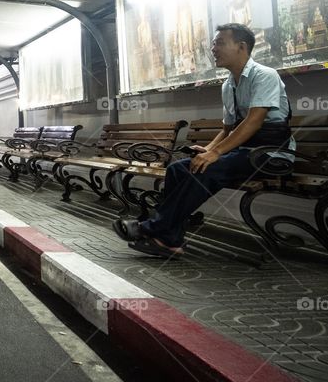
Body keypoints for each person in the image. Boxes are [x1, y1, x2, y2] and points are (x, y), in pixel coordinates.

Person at [112, 23, 294, 257]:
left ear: (241, 47)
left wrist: (215, 154)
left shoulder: (265, 75)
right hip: (243, 153)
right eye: (213, 43)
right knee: (178, 168)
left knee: (209, 168)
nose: (213, 48)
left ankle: (154, 229)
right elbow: (228, 129)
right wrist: (208, 149)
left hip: (270, 154)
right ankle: (170, 240)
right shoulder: (229, 85)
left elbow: (253, 122)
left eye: (220, 43)